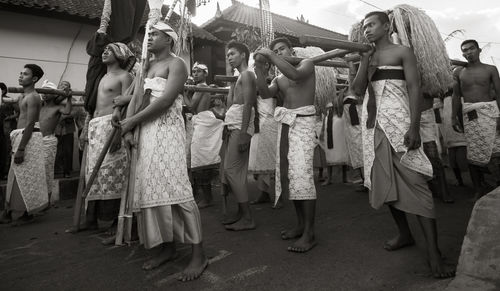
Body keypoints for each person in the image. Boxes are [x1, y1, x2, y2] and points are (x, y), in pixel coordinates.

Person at [352, 11, 455, 278]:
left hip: (399, 123)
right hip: (373, 125)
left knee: (417, 182)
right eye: (364, 27)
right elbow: (357, 89)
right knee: (384, 181)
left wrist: (413, 127)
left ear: (386, 26)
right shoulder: (367, 54)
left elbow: (414, 88)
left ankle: (434, 253)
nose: (367, 30)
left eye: (372, 25)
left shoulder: (403, 52)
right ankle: (405, 234)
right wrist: (364, 60)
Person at [120, 22, 207, 281]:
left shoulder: (177, 63)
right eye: (149, 34)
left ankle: (198, 254)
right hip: (147, 134)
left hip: (167, 132)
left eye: (155, 34)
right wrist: (129, 126)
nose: (149, 38)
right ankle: (167, 248)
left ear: (168, 39)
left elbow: (167, 100)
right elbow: (135, 98)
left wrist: (132, 121)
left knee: (176, 188)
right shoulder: (145, 67)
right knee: (152, 189)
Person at [254, 37, 318, 253]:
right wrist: (259, 70)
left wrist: (270, 56)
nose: (279, 52)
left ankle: (309, 234)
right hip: (286, 125)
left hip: (304, 123)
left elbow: (296, 75)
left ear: (291, 50)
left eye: (282, 49)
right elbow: (264, 93)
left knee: (303, 176)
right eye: (275, 50)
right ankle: (300, 225)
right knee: (290, 176)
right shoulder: (279, 77)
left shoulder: (306, 64)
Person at [82, 42, 134, 239]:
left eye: (109, 50)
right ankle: (90, 219)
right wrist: (87, 129)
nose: (104, 52)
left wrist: (120, 133)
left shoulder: (125, 76)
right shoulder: (101, 76)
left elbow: (128, 104)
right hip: (96, 126)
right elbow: (94, 104)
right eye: (104, 49)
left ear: (120, 55)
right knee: (93, 173)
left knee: (112, 172)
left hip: (112, 126)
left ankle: (113, 220)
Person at [0, 64, 49, 224]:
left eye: (25, 74)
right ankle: (10, 211)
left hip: (28, 139)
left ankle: (24, 213)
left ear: (34, 79)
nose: (21, 76)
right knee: (15, 175)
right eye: (20, 73)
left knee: (26, 177)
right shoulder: (23, 96)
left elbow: (30, 124)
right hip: (21, 138)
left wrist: (21, 148)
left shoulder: (34, 97)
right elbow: (12, 103)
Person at [452, 39, 500, 200]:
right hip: (470, 115)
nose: (468, 52)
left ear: (479, 50)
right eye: (464, 50)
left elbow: (499, 93)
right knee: (473, 154)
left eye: (471, 49)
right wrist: (453, 117)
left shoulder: (491, 69)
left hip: (489, 113)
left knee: (496, 151)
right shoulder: (458, 72)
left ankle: (496, 185)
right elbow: (456, 95)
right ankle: (478, 189)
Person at [219, 41, 257, 231]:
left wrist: (243, 133)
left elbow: (249, 104)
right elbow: (236, 105)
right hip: (234, 127)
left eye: (232, 54)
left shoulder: (248, 75)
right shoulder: (240, 77)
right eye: (228, 55)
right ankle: (242, 213)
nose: (229, 57)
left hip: (240, 130)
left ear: (243, 55)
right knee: (235, 172)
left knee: (232, 170)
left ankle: (248, 217)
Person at [187, 62, 224, 208]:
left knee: (199, 161)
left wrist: (183, 94)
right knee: (200, 160)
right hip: (201, 121)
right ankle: (205, 197)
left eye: (198, 72)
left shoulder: (201, 87)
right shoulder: (204, 87)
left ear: (205, 74)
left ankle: (207, 199)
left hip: (201, 122)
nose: (195, 74)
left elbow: (190, 107)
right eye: (194, 71)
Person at [248, 61, 280, 207]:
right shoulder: (253, 82)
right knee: (260, 160)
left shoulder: (275, 80)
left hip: (272, 122)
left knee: (276, 161)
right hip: (258, 123)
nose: (255, 66)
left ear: (267, 65)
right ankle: (264, 193)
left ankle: (281, 195)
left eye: (259, 64)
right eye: (254, 64)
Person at [39, 80, 72, 205]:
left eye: (48, 92)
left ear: (54, 94)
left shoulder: (57, 107)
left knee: (47, 171)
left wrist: (69, 98)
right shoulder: (39, 105)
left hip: (48, 140)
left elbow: (68, 111)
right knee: (37, 171)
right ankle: (39, 200)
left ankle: (46, 200)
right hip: (36, 140)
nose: (45, 95)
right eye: (43, 92)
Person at [421, 95, 453, 202]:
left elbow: (435, 91)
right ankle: (429, 189)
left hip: (425, 116)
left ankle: (444, 192)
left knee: (433, 155)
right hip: (406, 114)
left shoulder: (429, 79)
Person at [54, 81, 77, 178]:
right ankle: (56, 171)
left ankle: (67, 171)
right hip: (56, 128)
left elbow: (76, 112)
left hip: (68, 128)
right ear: (58, 87)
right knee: (56, 151)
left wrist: (63, 116)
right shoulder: (54, 99)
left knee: (68, 151)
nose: (64, 87)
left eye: (67, 85)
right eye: (62, 85)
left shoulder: (73, 99)